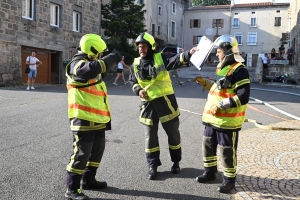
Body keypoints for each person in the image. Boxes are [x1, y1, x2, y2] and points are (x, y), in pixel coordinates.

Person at [128, 32, 198, 180]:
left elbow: (176, 59)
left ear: (151, 47)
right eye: (140, 47)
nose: (142, 49)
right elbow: (132, 81)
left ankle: (176, 162)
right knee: (150, 138)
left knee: (173, 135)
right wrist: (138, 90)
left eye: (144, 46)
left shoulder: (161, 58)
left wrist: (188, 53)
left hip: (166, 104)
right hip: (148, 107)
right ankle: (152, 166)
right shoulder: (135, 64)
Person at [65, 33, 121, 200]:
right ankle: (72, 189)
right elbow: (88, 71)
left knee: (97, 151)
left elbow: (98, 70)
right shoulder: (77, 64)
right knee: (81, 154)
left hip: (97, 119)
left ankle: (89, 179)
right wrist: (112, 57)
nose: (102, 55)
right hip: (83, 119)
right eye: (101, 53)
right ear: (92, 51)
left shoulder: (91, 62)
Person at [194, 34, 250, 194]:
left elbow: (243, 96)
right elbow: (220, 88)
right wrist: (206, 83)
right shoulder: (222, 67)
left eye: (219, 51)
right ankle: (210, 173)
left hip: (227, 122)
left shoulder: (240, 70)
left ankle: (229, 182)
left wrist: (220, 105)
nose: (216, 54)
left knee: (227, 152)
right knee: (208, 146)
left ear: (227, 52)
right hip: (212, 119)